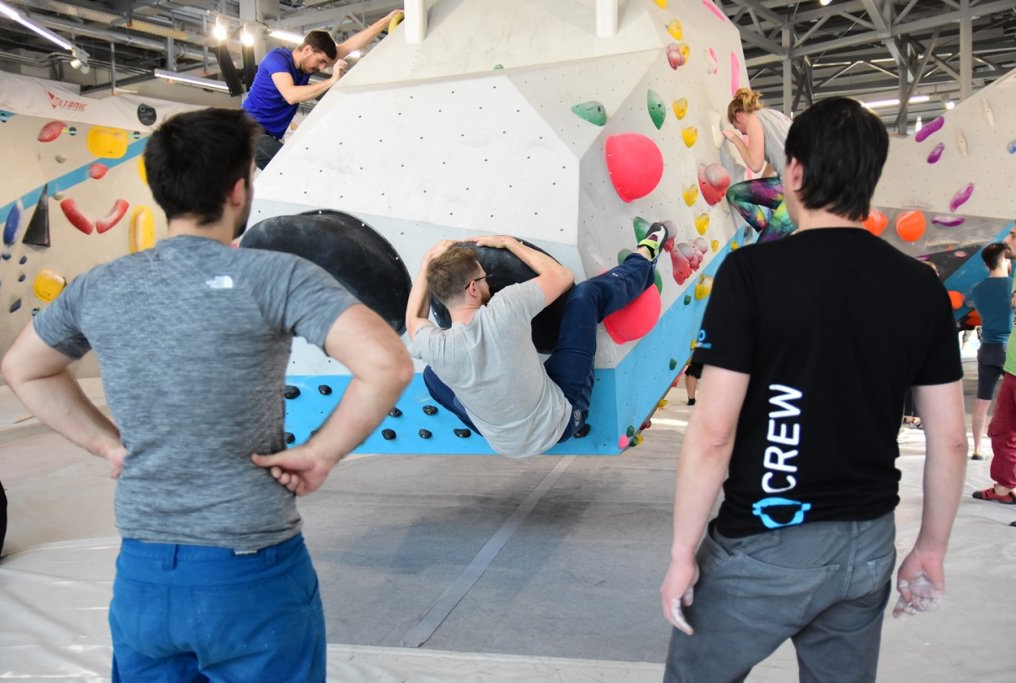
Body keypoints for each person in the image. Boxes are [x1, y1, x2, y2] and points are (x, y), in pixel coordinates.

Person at [0, 108, 412, 680]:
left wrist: (107, 446)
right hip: (250, 569)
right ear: (239, 189)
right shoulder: (276, 276)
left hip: (144, 574)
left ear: (159, 188)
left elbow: (24, 369)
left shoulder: (100, 286)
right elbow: (386, 363)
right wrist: (321, 454)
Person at [659, 97, 967, 682]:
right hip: (867, 546)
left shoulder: (753, 274)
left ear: (794, 172)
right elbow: (950, 440)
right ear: (869, 179)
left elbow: (713, 430)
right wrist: (931, 548)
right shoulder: (918, 286)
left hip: (764, 542)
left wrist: (682, 553)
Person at [405, 225, 668, 457]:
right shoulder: (506, 306)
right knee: (586, 295)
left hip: (504, 444)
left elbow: (413, 318)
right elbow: (563, 277)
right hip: (559, 422)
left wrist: (426, 266)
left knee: (431, 376)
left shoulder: (432, 345)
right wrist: (510, 243)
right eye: (484, 279)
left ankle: (497, 425)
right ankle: (643, 262)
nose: (488, 283)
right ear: (473, 288)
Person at [242, 9, 403, 169]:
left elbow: (349, 47)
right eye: (320, 61)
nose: (321, 67)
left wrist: (387, 20)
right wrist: (331, 81)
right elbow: (290, 95)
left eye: (325, 63)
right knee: (290, 168)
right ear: (307, 50)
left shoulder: (307, 64)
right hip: (247, 130)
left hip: (266, 135)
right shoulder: (276, 59)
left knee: (284, 172)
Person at [722, 87, 795, 243]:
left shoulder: (754, 120)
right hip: (805, 185)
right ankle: (766, 230)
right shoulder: (776, 116)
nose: (742, 132)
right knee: (735, 193)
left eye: (737, 127)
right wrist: (762, 181)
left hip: (798, 194)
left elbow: (755, 165)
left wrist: (736, 140)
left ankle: (768, 237)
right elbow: (780, 155)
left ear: (739, 116)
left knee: (763, 248)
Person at [981, 226, 1016, 504]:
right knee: (1001, 430)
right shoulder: (1013, 277)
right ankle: (1005, 488)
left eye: (1013, 235)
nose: (1007, 239)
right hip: (1012, 367)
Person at [970, 242, 1013, 460]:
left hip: (986, 348)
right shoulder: (1011, 285)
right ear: (1004, 261)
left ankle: (977, 449)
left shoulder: (977, 289)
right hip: (1009, 350)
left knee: (982, 400)